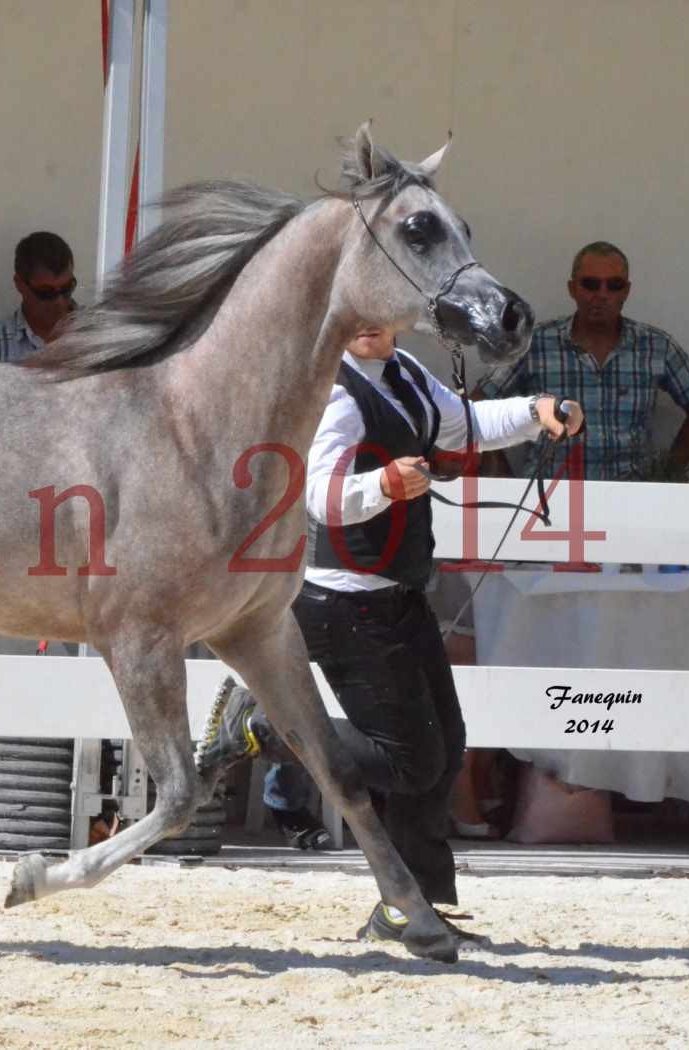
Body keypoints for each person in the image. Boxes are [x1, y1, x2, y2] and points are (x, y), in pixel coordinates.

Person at [196, 325, 584, 945]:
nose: (371, 321)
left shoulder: (402, 370)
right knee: (410, 760)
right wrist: (380, 486)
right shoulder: (333, 392)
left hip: (397, 592)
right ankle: (263, 727)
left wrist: (537, 413)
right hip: (343, 601)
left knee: (445, 747)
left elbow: (467, 426)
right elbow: (318, 495)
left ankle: (412, 905)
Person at [478, 241, 689, 481]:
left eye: (614, 285)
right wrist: (499, 473)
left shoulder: (656, 346)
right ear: (572, 288)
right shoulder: (534, 343)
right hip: (551, 494)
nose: (601, 295)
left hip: (632, 497)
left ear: (626, 291)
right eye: (590, 284)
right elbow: (476, 407)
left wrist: (668, 474)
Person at [0, 232, 76, 363]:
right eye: (46, 292)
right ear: (20, 284)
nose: (59, 301)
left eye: (67, 288)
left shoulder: (96, 337)